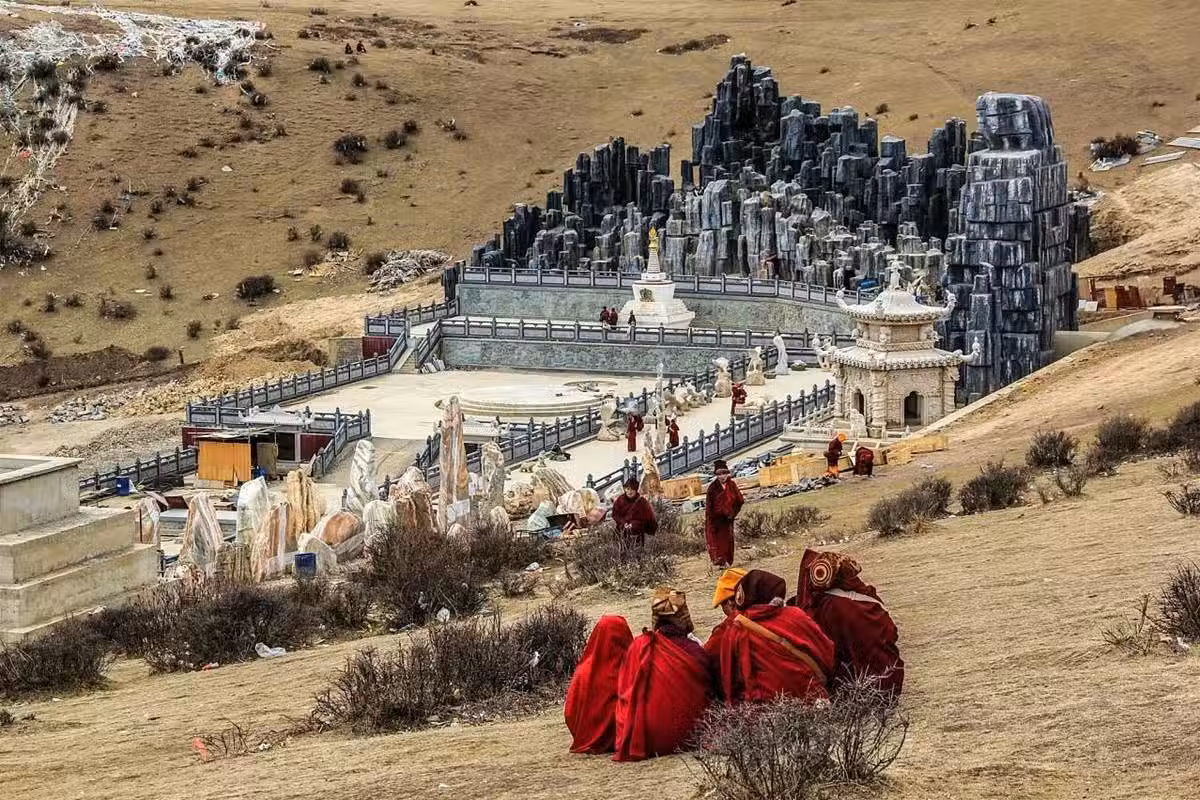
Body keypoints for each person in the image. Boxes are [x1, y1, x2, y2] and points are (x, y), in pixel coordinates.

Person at [705, 569, 834, 704]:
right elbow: (827, 652)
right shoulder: (795, 615)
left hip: (767, 708)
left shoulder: (733, 630)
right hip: (816, 695)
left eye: (724, 603)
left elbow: (724, 677)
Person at [613, 589, 713, 762]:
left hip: (645, 738)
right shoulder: (694, 651)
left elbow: (625, 693)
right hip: (689, 736)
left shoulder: (639, 646)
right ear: (684, 617)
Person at [791, 549, 904, 699]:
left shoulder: (830, 606)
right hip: (891, 681)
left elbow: (823, 649)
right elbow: (891, 633)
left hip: (858, 690)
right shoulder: (866, 595)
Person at [704, 459, 744, 567]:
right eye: (719, 474)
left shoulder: (732, 485)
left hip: (729, 518)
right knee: (718, 542)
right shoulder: (712, 488)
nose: (722, 477)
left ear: (727, 474)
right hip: (716, 520)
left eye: (724, 473)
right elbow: (709, 506)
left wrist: (733, 513)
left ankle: (728, 561)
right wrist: (712, 519)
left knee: (728, 540)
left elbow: (739, 500)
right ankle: (722, 562)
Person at [611, 477, 657, 548]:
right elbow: (615, 514)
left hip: (636, 532)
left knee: (636, 550)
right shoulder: (620, 500)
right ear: (625, 489)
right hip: (622, 531)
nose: (629, 492)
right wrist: (623, 523)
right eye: (628, 489)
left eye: (632, 489)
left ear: (636, 490)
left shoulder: (642, 502)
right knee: (621, 550)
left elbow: (648, 517)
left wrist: (633, 524)